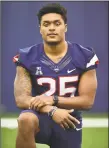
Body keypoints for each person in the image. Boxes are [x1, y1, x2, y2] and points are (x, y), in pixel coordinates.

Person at [13, 3, 99, 148]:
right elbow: (21, 99)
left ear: (65, 27)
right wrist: (52, 110)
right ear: (40, 29)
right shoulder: (27, 57)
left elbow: (87, 101)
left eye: (57, 23)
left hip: (69, 120)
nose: (51, 28)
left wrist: (53, 99)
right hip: (40, 117)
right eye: (46, 24)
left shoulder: (84, 56)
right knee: (25, 119)